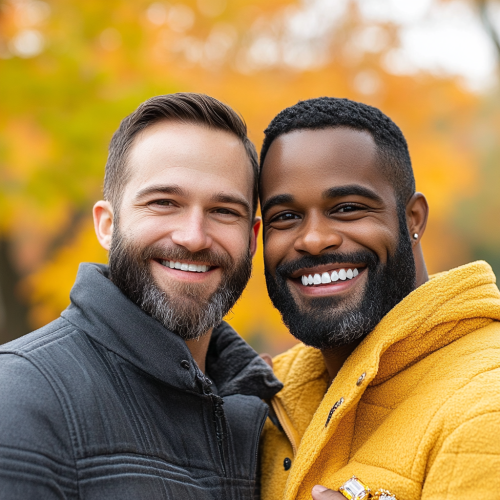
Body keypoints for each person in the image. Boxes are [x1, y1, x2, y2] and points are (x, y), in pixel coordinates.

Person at [0, 93, 282, 499]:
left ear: (252, 238)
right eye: (164, 203)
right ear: (107, 225)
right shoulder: (22, 398)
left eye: (224, 211)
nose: (193, 237)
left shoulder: (264, 416)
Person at [258, 97, 500, 500]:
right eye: (285, 216)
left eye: (348, 208)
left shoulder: (485, 404)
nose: (314, 239)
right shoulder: (267, 395)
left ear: (413, 219)